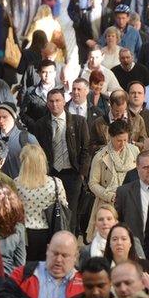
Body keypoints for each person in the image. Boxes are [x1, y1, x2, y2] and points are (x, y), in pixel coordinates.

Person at [31, 89, 91, 236]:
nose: (54, 104)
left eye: (58, 100)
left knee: (71, 211)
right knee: (51, 209)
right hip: (50, 174)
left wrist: (82, 173)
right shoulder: (40, 125)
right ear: (47, 103)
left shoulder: (78, 121)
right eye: (51, 101)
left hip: (72, 173)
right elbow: (38, 151)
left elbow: (87, 148)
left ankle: (70, 240)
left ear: (64, 102)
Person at [14, 144, 67, 262]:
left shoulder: (16, 184)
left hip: (24, 233)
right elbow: (64, 206)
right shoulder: (55, 183)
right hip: (48, 232)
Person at [86, 121, 140, 236]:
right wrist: (110, 196)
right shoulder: (100, 156)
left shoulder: (135, 151)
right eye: (119, 140)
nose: (123, 144)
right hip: (108, 203)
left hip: (130, 201)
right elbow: (92, 183)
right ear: (110, 137)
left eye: (125, 140)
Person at [115, 149, 149, 241]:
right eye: (145, 167)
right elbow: (118, 222)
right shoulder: (124, 192)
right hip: (136, 248)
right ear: (137, 168)